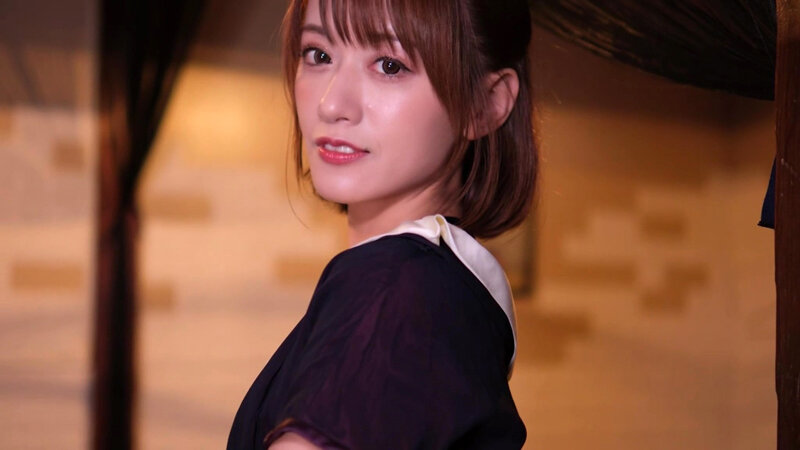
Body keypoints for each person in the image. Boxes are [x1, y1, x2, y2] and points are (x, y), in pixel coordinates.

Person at [227, 0, 536, 448]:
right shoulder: (452, 290)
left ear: (485, 103)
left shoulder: (397, 292)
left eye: (390, 65)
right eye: (318, 54)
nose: (332, 103)